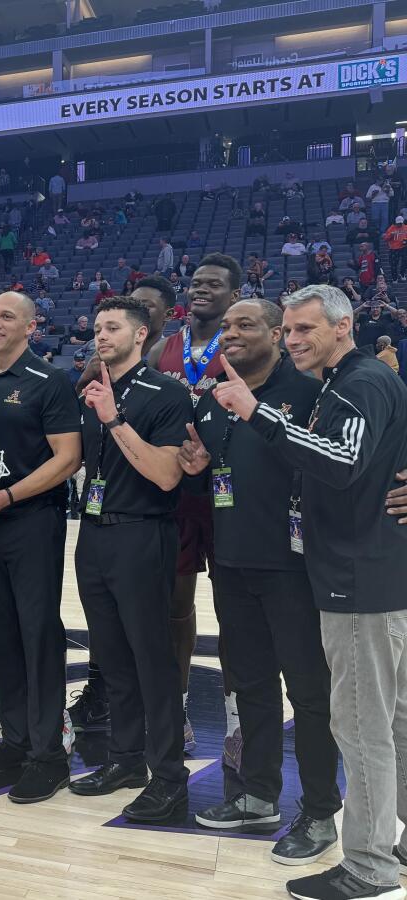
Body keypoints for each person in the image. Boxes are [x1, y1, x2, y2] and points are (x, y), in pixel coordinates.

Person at [212, 284, 407, 900]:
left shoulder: (360, 381)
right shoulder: (358, 379)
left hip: (358, 578)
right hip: (367, 571)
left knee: (360, 726)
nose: (294, 340)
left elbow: (343, 461)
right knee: (394, 720)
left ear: (344, 326)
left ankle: (370, 866)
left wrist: (257, 412)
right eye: (290, 330)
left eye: (305, 330)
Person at [176, 299, 342, 864]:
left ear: (277, 333)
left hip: (294, 568)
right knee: (249, 687)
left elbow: (345, 460)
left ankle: (320, 811)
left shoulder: (312, 392)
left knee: (309, 694)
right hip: (232, 564)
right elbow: (216, 477)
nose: (231, 334)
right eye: (225, 326)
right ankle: (258, 795)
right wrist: (197, 471)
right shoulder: (214, 397)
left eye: (246, 324)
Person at [0, 291, 81, 803]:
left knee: (38, 635)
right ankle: (15, 740)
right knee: (0, 634)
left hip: (30, 522)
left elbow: (67, 459)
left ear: (31, 327)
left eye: (8, 316)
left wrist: (6, 496)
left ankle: (49, 754)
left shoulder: (49, 381)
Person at [71, 296, 192, 822]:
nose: (101, 335)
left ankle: (169, 776)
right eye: (97, 327)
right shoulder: (89, 391)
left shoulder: (165, 393)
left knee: (152, 661)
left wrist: (114, 418)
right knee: (112, 660)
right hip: (93, 535)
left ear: (140, 335)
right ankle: (125, 760)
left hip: (143, 534)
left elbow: (167, 475)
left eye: (113, 327)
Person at [147, 252, 242, 755]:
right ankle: (178, 709)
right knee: (176, 609)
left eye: (214, 284)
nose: (201, 289)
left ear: (235, 294)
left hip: (229, 496)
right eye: (196, 282)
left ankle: (235, 721)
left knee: (234, 611)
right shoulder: (163, 346)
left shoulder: (242, 346)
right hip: (177, 496)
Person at [384, 215, 407, 281]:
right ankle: (394, 278)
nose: (399, 224)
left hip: (403, 247)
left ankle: (402, 273)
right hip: (393, 248)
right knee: (393, 264)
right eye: (398, 223)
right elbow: (385, 238)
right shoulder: (391, 228)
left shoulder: (406, 227)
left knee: (405, 260)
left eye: (400, 223)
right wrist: (391, 234)